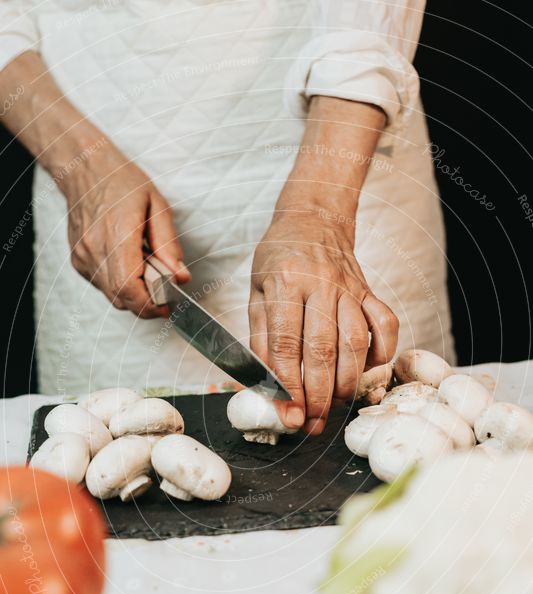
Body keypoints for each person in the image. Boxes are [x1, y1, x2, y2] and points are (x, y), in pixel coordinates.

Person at [0, 1, 454, 435]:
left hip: (347, 153)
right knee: (106, 466)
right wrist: (83, 167)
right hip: (94, 153)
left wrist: (319, 213)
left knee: (400, 445)